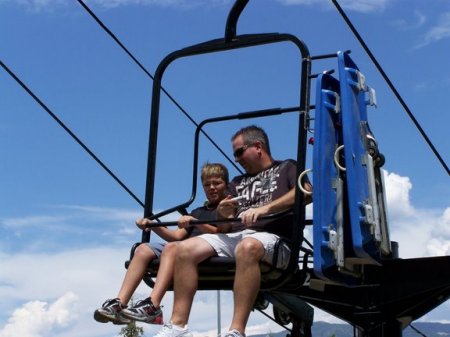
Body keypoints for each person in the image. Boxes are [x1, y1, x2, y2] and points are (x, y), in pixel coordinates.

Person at [153, 125, 312, 337]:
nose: (236, 159)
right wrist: (223, 214)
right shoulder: (237, 183)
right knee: (184, 249)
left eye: (239, 152)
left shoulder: (288, 167)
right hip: (234, 236)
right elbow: (225, 228)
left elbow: (306, 193)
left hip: (275, 240)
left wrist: (265, 208)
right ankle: (178, 327)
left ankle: (237, 330)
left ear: (258, 146)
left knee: (247, 247)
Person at [93, 163, 230, 325]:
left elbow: (223, 233)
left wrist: (195, 223)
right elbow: (176, 236)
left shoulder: (227, 207)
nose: (212, 188)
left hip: (208, 250)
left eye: (217, 183)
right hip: (182, 247)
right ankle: (119, 303)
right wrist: (152, 225)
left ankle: (153, 305)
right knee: (143, 249)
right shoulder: (198, 212)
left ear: (226, 184)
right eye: (207, 185)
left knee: (173, 248)